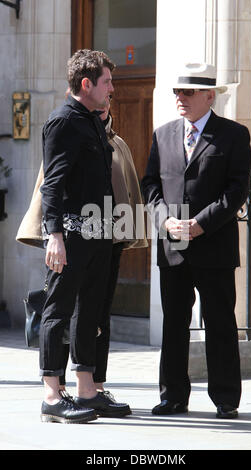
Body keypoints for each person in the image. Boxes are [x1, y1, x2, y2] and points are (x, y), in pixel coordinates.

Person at [142, 63, 251, 419]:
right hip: (173, 247)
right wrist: (166, 220)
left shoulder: (234, 135)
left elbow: (237, 190)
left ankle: (225, 398)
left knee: (220, 322)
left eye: (187, 92)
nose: (180, 97)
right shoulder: (163, 134)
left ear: (209, 96)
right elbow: (151, 186)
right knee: (174, 324)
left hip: (214, 246)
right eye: (177, 91)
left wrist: (201, 225)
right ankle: (173, 396)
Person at [37, 48, 130, 424]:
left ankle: (87, 390)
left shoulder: (92, 120)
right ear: (87, 84)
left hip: (99, 232)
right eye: (107, 82)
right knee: (57, 312)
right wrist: (54, 235)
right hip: (72, 234)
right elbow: (52, 185)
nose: (112, 89)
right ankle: (52, 395)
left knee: (90, 311)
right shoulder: (63, 122)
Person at [58, 102, 148, 399]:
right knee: (69, 309)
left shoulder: (118, 144)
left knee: (100, 312)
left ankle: (97, 385)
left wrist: (128, 231)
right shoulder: (73, 135)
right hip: (76, 237)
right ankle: (59, 385)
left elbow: (128, 190)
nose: (105, 106)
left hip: (111, 241)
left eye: (109, 102)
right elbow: (52, 186)